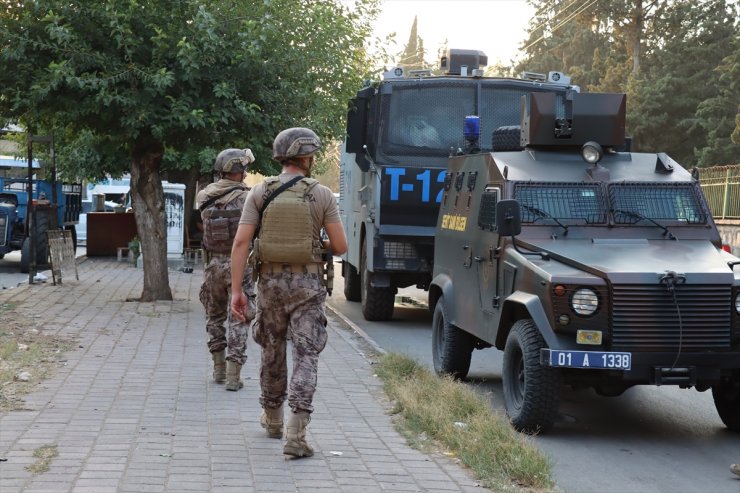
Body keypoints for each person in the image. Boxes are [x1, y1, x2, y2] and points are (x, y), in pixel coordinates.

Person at [230, 127, 347, 458]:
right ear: (307, 158)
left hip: (269, 285)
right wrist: (314, 244)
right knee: (306, 354)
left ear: (281, 157)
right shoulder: (321, 194)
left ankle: (272, 419)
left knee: (271, 349)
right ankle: (296, 432)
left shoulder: (259, 192)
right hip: (307, 286)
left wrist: (237, 291)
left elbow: (241, 243)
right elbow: (339, 246)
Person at [197, 148, 256, 391]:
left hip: (212, 266)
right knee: (239, 318)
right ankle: (234, 375)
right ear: (240, 172)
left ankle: (218, 368)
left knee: (214, 317)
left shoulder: (204, 196)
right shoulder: (248, 198)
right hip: (240, 266)